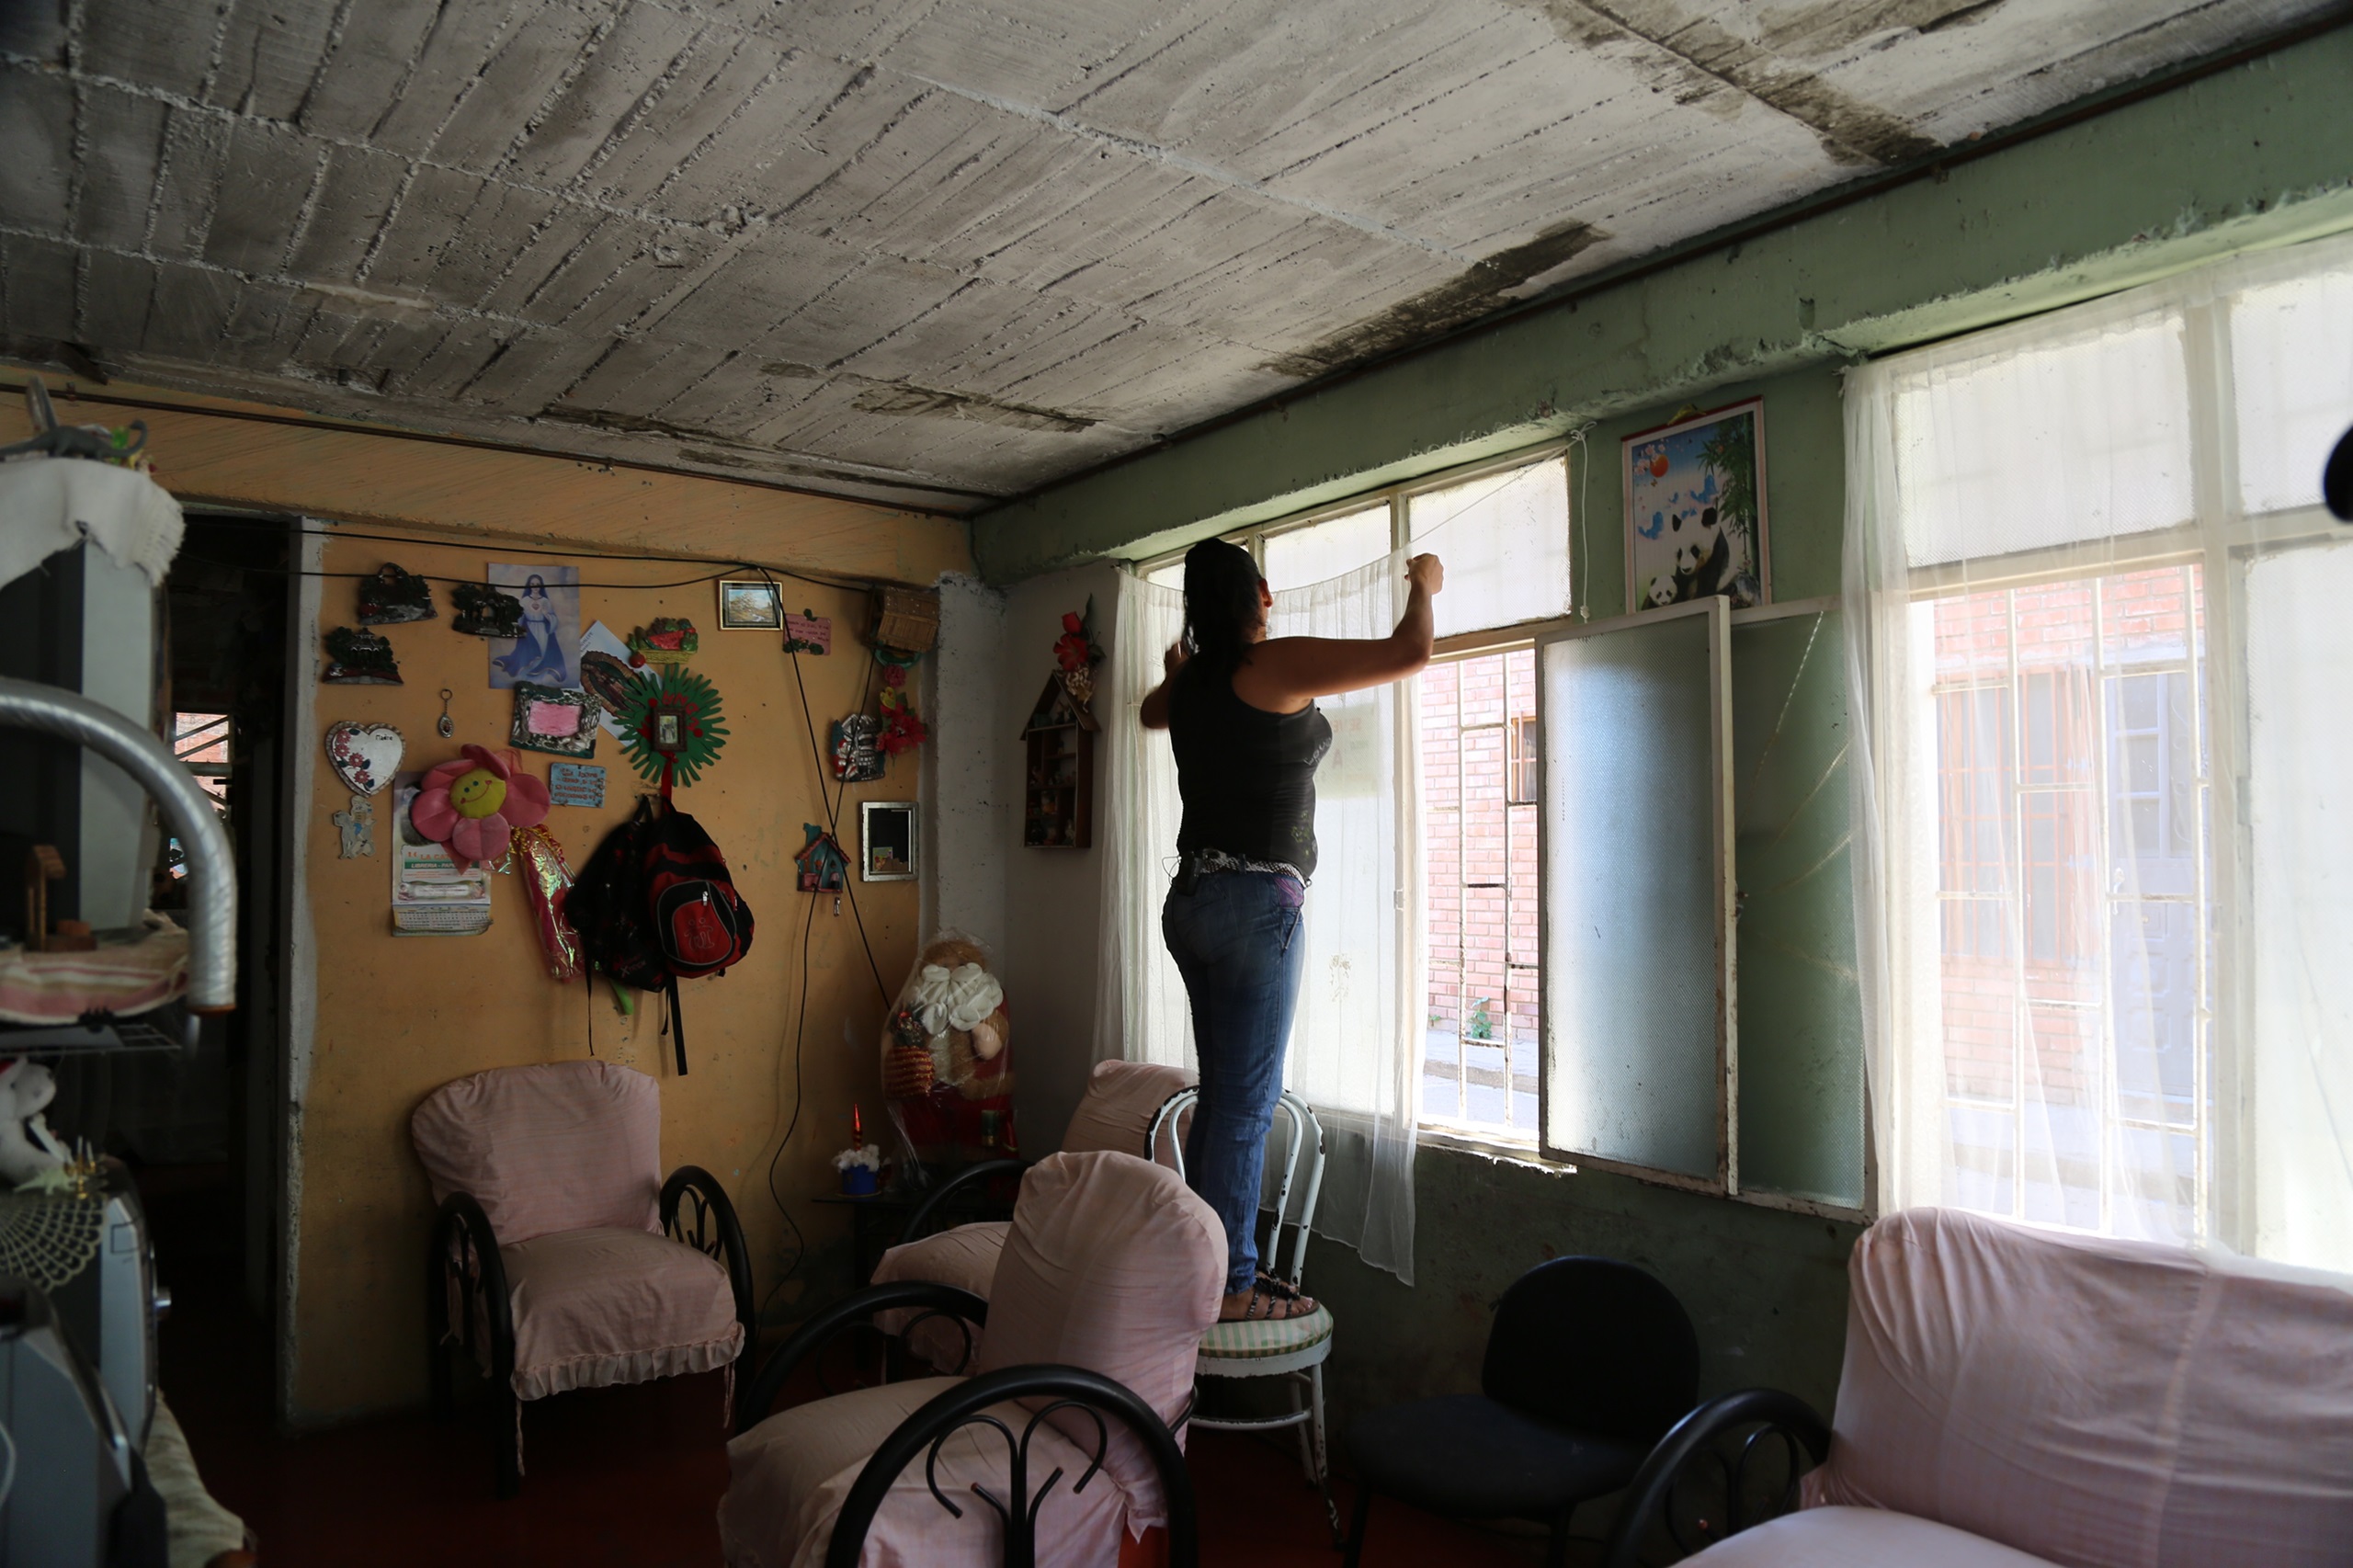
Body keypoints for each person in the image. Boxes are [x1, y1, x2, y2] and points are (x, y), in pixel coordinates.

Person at [1141, 540, 1444, 1323]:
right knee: (1244, 1106)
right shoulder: (1265, 667)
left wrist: (1178, 670)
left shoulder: (1192, 684)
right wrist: (1425, 585)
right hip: (1251, 907)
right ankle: (1234, 1287)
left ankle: (1201, 1271)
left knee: (1223, 1101)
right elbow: (1411, 652)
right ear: (1262, 596)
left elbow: (1148, 712)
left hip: (1193, 901)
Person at [494, 574, 568, 684]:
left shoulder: (545, 601)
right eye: (532, 584)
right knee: (530, 652)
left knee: (542, 651)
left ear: (541, 586)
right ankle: (526, 678)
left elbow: (554, 619)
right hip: (529, 630)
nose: (535, 587)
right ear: (529, 586)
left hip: (542, 630)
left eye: (537, 584)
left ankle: (538, 677)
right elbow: (519, 617)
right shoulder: (524, 601)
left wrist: (545, 614)